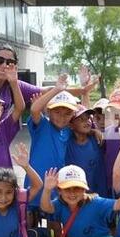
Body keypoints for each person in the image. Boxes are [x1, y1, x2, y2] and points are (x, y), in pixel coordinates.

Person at [25, 74, 75, 214]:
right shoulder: (42, 125)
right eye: (57, 112)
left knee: (54, 218)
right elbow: (34, 109)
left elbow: (85, 121)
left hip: (55, 184)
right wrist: (57, 89)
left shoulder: (68, 131)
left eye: (67, 113)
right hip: (35, 182)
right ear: (48, 111)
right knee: (29, 220)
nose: (62, 117)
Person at [66, 104, 107, 196]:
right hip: (79, 197)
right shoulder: (66, 143)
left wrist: (95, 131)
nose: (87, 122)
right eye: (81, 119)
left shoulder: (97, 139)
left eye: (88, 118)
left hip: (101, 195)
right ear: (71, 124)